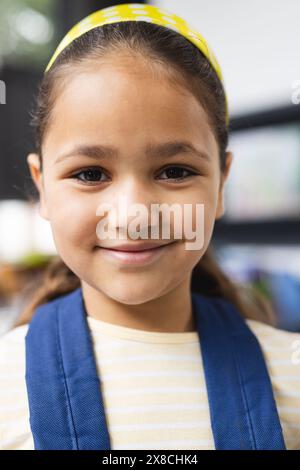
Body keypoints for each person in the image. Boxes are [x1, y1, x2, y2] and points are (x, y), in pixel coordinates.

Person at [0, 3, 299, 450]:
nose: (134, 213)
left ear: (222, 184)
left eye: (175, 171)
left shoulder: (292, 376)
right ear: (42, 188)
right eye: (90, 174)